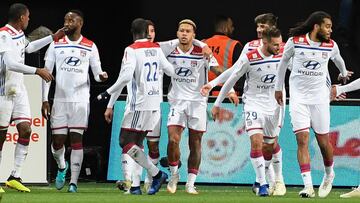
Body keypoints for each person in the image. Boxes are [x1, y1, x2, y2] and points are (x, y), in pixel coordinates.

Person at [275, 11, 353, 198]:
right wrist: (278, 88)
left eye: (331, 27)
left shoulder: (331, 45)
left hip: (319, 100)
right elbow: (283, 63)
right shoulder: (295, 42)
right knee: (301, 140)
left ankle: (329, 174)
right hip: (299, 99)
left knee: (323, 142)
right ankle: (308, 186)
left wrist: (343, 73)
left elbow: (338, 59)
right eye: (327, 26)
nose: (330, 30)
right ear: (316, 26)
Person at [98, 18, 175, 195]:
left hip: (138, 104)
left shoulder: (131, 50)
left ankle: (156, 174)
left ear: (133, 32)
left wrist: (107, 93)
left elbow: (125, 77)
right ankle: (134, 186)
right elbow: (170, 70)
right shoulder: (155, 48)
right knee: (137, 144)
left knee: (124, 142)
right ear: (146, 32)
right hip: (156, 103)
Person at [207, 27, 284, 197]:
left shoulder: (283, 54)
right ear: (265, 42)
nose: (279, 47)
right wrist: (217, 103)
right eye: (275, 45)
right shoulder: (250, 58)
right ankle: (263, 184)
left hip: (273, 106)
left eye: (280, 44)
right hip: (253, 104)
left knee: (268, 147)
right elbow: (231, 79)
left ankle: (261, 178)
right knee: (256, 142)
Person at [41, 9, 108, 193]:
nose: (67, 23)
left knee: (77, 140)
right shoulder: (55, 44)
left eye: (71, 20)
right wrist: (44, 99)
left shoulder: (90, 45)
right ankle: (63, 167)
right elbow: (47, 73)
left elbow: (97, 74)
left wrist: (102, 77)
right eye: (65, 20)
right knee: (57, 142)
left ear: (80, 23)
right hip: (60, 100)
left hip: (80, 101)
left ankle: (74, 182)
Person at [0, 3, 64, 193]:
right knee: (1, 136)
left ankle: (14, 176)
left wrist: (53, 37)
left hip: (18, 89)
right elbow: (10, 63)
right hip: (3, 90)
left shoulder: (19, 35)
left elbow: (29, 48)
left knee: (26, 130)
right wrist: (37, 70)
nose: (29, 19)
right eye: (28, 17)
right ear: (21, 17)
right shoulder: (4, 35)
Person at [161, 19, 220, 195]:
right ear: (177, 33)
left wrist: (230, 89)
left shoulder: (203, 51)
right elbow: (151, 47)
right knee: (173, 139)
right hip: (177, 101)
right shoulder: (169, 49)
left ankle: (190, 183)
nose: (184, 34)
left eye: (188, 31)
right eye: (181, 31)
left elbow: (218, 71)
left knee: (195, 143)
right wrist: (201, 42)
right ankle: (174, 175)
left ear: (194, 35)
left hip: (198, 102)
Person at [241, 13, 286, 196]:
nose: (259, 30)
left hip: (275, 101)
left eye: (263, 26)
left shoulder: (282, 48)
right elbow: (238, 69)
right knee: (257, 141)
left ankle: (278, 179)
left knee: (272, 142)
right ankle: (264, 182)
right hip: (253, 100)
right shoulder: (249, 47)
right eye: (258, 26)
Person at [203, 15, 242, 96]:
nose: (233, 29)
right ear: (225, 27)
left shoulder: (202, 43)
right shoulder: (234, 45)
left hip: (203, 93)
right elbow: (240, 73)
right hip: (226, 95)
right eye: (231, 26)